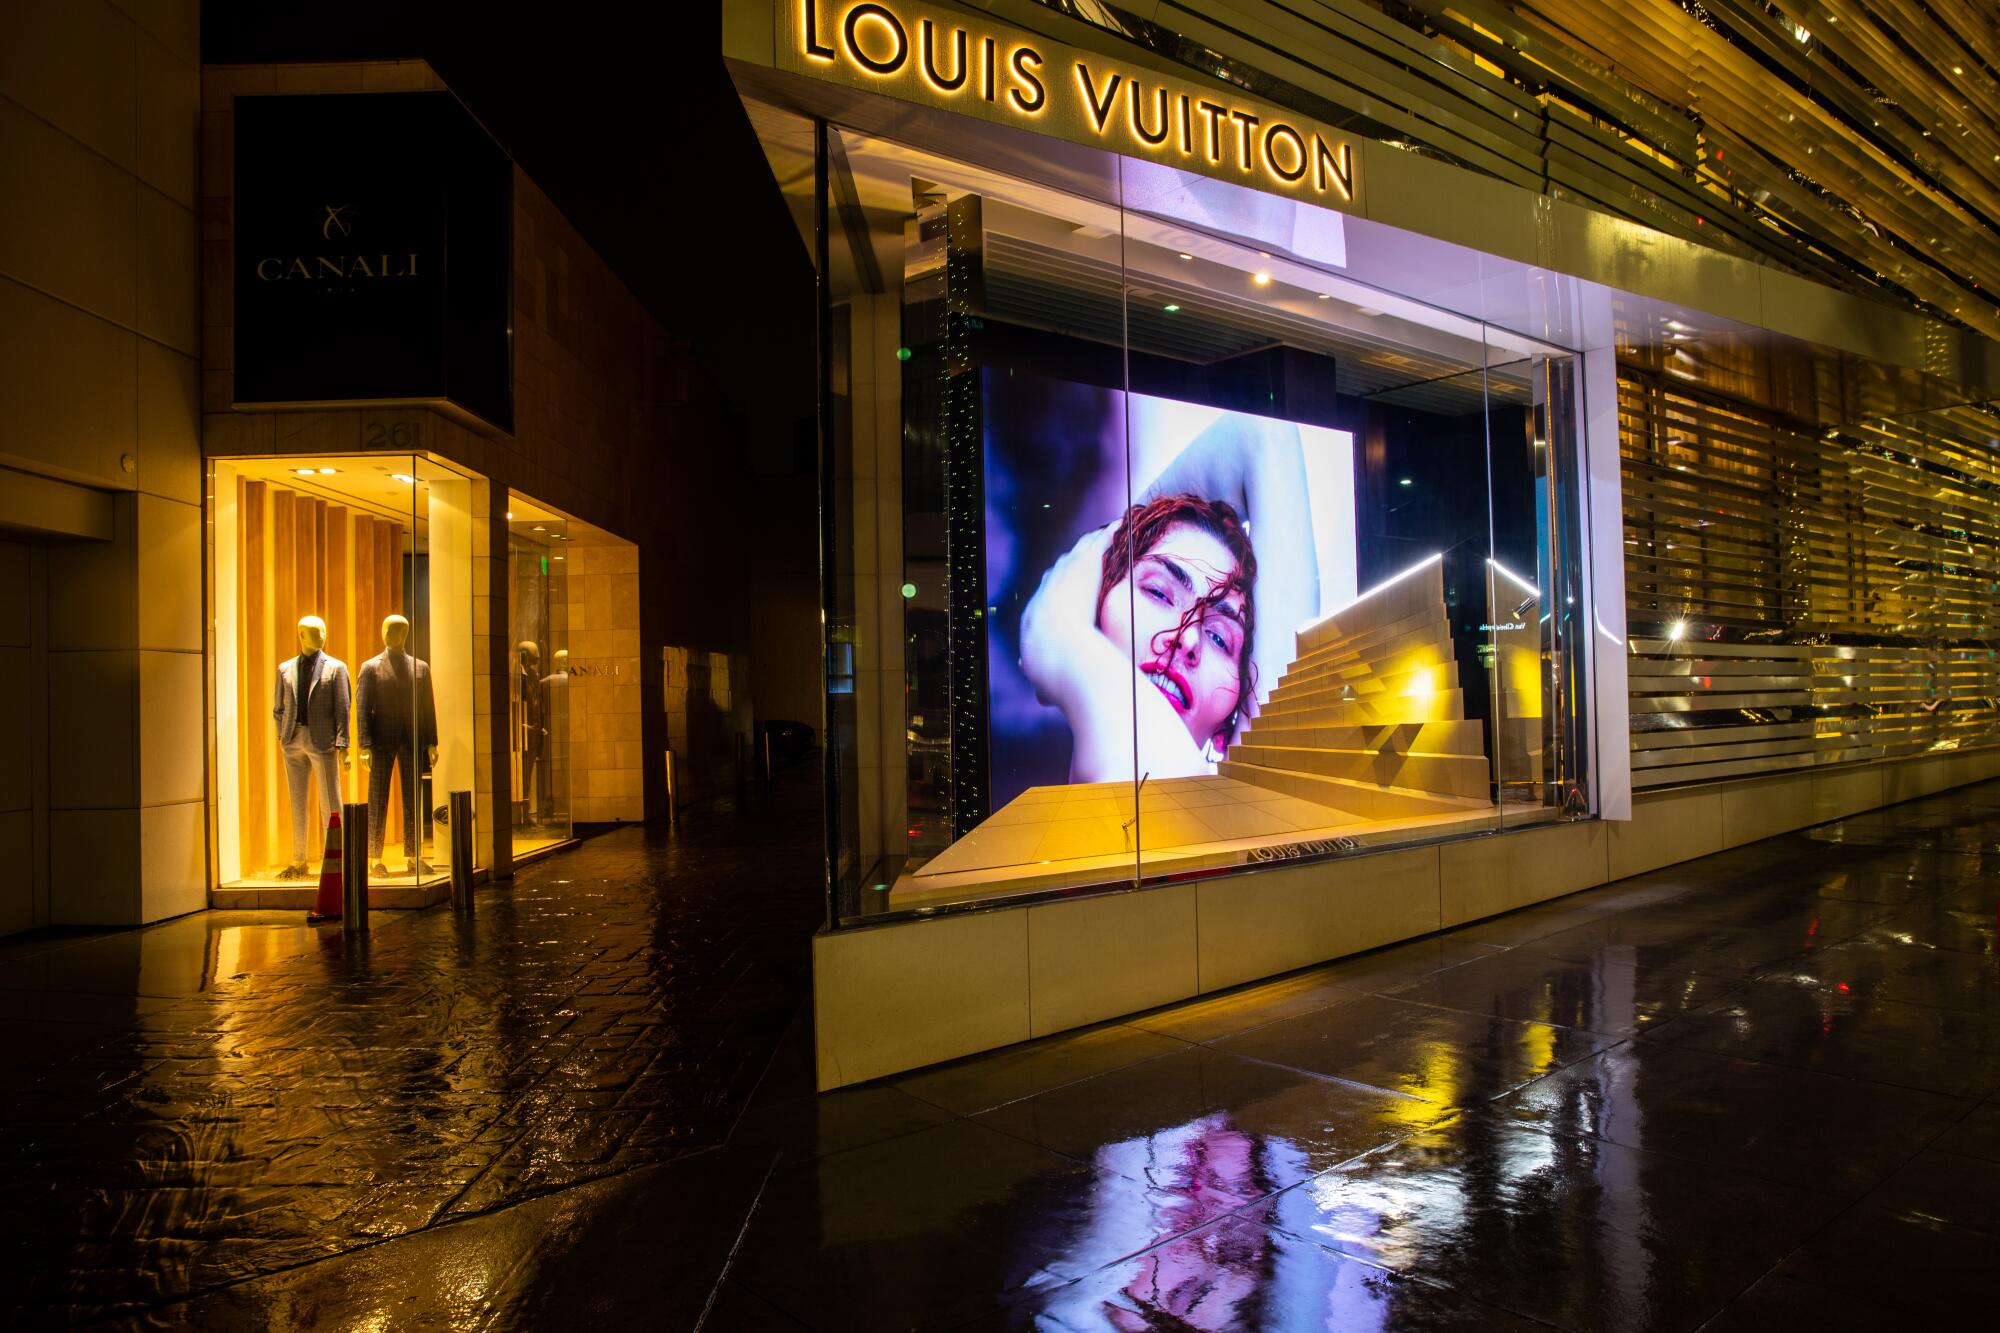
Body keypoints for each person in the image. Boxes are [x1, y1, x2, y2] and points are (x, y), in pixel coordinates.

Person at [1020, 413, 1316, 783]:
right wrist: (1115, 541)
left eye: (1221, 638)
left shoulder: (1252, 807)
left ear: (1231, 718)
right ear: (1088, 602)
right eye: (1158, 592)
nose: (1188, 638)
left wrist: (1059, 634)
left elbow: (1264, 437)